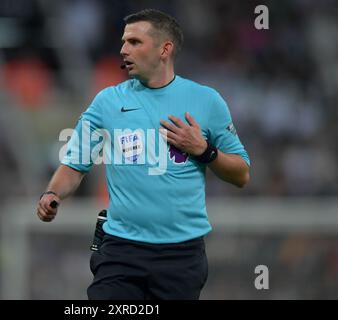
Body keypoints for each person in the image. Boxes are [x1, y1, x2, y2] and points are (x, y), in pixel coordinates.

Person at [37, 8, 250, 300]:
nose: (124, 49)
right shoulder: (107, 101)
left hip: (181, 254)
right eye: (124, 41)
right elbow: (74, 164)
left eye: (135, 42)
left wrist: (204, 151)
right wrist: (52, 194)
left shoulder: (206, 101)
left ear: (165, 49)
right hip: (121, 250)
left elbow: (241, 174)